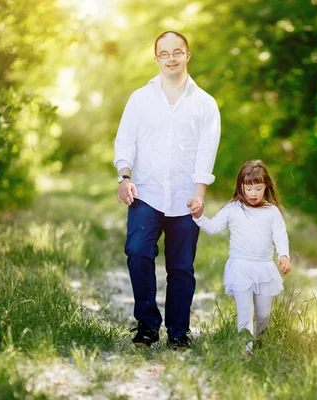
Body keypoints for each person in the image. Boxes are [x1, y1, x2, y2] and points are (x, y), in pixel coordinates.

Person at [113, 31, 221, 349]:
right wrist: (124, 177)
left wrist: (200, 194)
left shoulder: (205, 104)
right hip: (145, 191)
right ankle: (147, 325)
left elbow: (206, 152)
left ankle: (178, 332)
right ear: (156, 58)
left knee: (181, 267)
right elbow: (125, 140)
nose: (171, 58)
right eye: (164, 53)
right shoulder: (140, 99)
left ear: (188, 55)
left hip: (186, 196)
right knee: (137, 251)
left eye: (177, 52)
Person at [189, 160, 291, 354]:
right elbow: (213, 227)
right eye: (248, 189)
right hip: (240, 267)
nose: (253, 194)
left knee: (263, 314)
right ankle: (246, 350)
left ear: (266, 187)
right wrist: (199, 216)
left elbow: (280, 235)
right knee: (245, 311)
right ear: (240, 187)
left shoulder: (271, 211)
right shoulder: (233, 209)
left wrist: (284, 255)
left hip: (264, 268)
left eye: (258, 189)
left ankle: (261, 346)